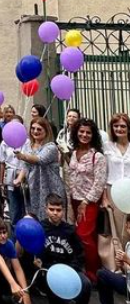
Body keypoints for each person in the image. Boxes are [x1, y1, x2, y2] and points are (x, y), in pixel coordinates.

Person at [29, 193, 91, 304]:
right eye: (51, 209)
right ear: (45, 209)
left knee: (86, 284)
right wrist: (38, 262)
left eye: (58, 210)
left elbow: (80, 254)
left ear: (63, 210)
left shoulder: (70, 230)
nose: (55, 213)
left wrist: (71, 269)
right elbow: (33, 251)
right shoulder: (40, 228)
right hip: (48, 270)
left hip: (69, 269)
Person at [66, 117, 107, 282]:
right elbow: (70, 176)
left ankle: (94, 274)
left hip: (89, 202)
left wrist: (85, 201)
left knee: (84, 235)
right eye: (81, 131)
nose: (84, 135)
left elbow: (99, 183)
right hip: (74, 200)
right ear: (76, 133)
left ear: (93, 135)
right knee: (83, 236)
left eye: (88, 132)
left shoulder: (97, 157)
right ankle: (84, 267)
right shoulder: (74, 153)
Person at [15, 117, 64, 220]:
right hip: (34, 187)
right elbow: (26, 165)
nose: (35, 131)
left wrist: (23, 156)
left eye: (39, 129)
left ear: (46, 130)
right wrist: (19, 179)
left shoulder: (51, 147)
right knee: (35, 216)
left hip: (50, 187)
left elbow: (40, 159)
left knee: (51, 217)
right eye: (33, 128)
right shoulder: (29, 145)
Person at [103, 112, 130, 248]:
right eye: (116, 126)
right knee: (118, 228)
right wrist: (104, 197)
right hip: (113, 190)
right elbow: (103, 172)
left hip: (129, 190)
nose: (119, 129)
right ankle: (120, 261)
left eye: (123, 126)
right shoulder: (107, 146)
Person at [96, 213, 130, 304]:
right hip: (128, 285)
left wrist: (127, 260)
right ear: (127, 227)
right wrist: (122, 265)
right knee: (102, 274)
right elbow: (128, 269)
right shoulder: (128, 245)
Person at [0, 119, 25, 225]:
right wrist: (1, 182)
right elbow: (2, 163)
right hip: (10, 177)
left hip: (24, 176)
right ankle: (15, 237)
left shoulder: (27, 141)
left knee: (25, 207)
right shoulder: (4, 142)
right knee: (14, 209)